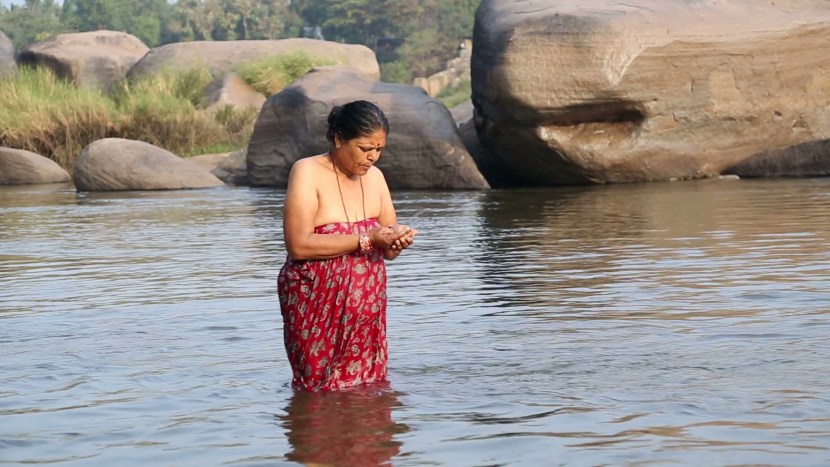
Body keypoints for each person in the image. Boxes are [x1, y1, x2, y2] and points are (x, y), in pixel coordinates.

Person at [278, 100, 418, 392]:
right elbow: (298, 245)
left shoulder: (376, 178)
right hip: (315, 305)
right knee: (317, 390)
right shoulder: (307, 171)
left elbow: (387, 247)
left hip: (366, 306)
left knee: (368, 389)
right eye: (365, 149)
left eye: (379, 149)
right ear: (339, 139)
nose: (372, 158)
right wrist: (367, 239)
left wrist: (397, 241)